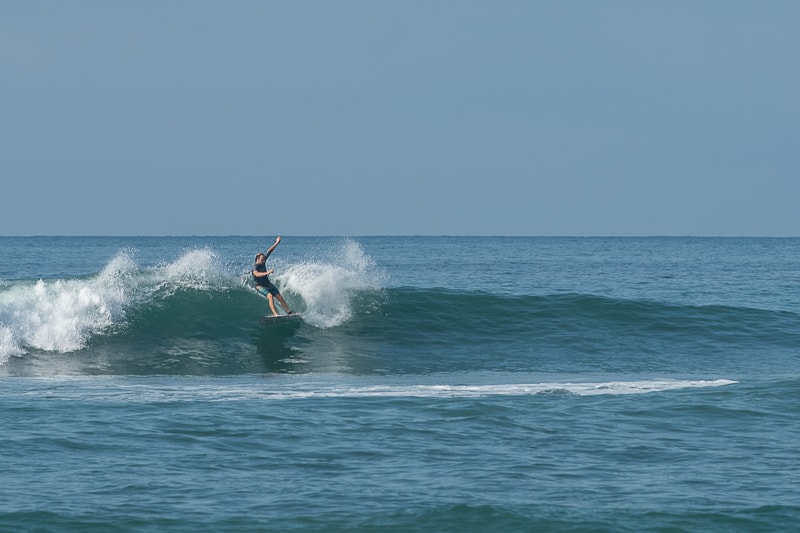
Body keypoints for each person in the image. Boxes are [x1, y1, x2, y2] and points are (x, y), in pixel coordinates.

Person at [253, 236, 295, 316]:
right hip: (260, 286)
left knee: (279, 297)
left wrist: (277, 242)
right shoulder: (255, 267)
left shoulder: (263, 262)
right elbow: (256, 274)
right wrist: (267, 272)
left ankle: (289, 311)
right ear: (257, 259)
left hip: (267, 284)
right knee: (270, 296)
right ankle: (275, 314)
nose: (264, 260)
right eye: (262, 259)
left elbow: (269, 251)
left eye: (264, 259)